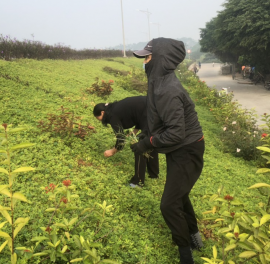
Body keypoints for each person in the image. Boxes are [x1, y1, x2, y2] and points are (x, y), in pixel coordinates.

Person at [132, 38, 205, 264]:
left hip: (187, 149)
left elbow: (176, 133)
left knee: (168, 205)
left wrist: (147, 143)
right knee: (178, 195)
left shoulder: (168, 90)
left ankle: (186, 255)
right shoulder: (159, 81)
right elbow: (159, 118)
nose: (144, 61)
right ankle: (194, 236)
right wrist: (147, 134)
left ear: (160, 59)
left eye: (147, 57)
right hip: (178, 148)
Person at [93, 97, 159, 187]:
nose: (99, 120)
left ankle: (138, 182)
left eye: (98, 118)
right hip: (153, 109)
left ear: (102, 113)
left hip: (150, 112)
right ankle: (154, 174)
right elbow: (137, 113)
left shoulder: (112, 116)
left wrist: (112, 151)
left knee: (140, 145)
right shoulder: (115, 108)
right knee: (149, 140)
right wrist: (135, 131)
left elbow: (121, 138)